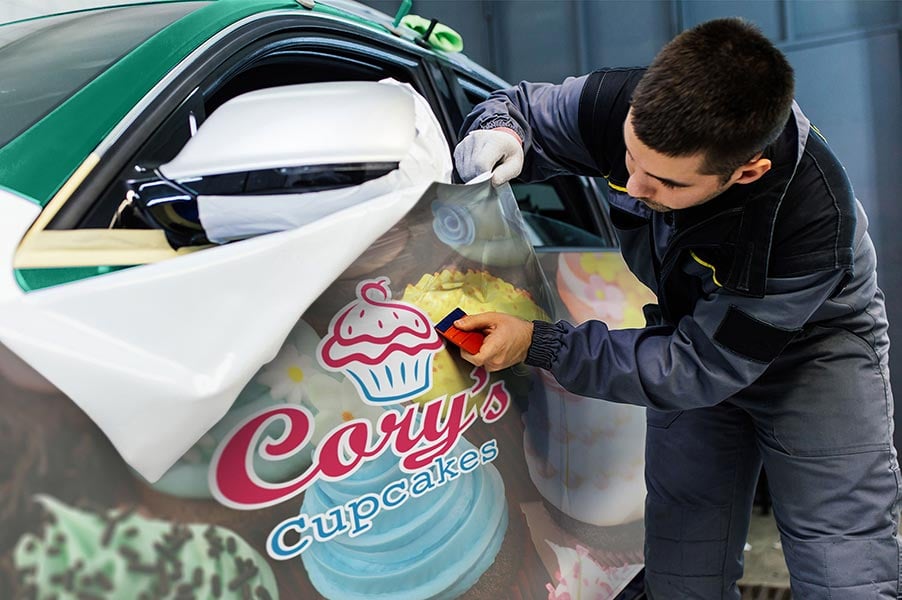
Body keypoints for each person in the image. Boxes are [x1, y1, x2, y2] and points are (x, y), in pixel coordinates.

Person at [452, 17, 900, 600]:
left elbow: (696, 369)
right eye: (629, 161)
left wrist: (543, 344)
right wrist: (503, 132)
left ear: (746, 172)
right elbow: (524, 109)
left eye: (662, 182)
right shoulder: (620, 104)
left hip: (813, 352)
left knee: (844, 562)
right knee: (682, 566)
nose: (633, 187)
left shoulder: (809, 223)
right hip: (688, 330)